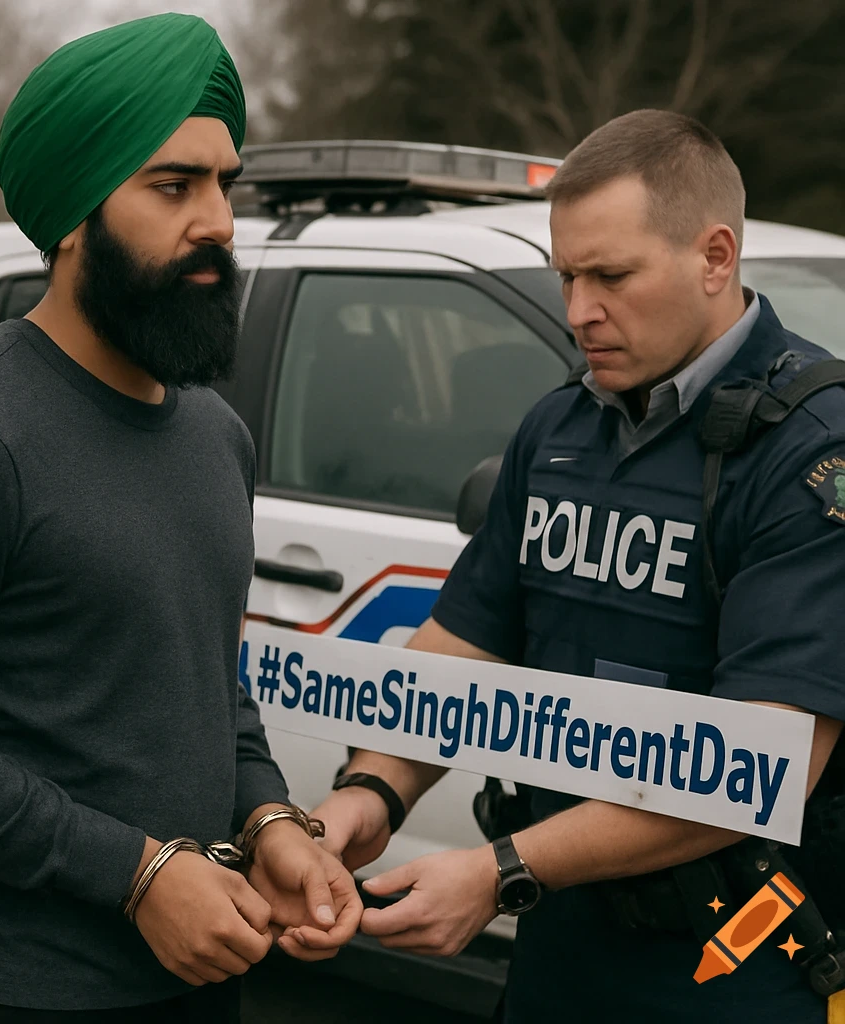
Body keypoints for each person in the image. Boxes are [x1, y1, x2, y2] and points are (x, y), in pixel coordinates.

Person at [0, 13, 360, 1024]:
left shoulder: (215, 435)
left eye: (222, 183)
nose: (218, 220)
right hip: (3, 990)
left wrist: (275, 819)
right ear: (73, 214)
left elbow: (205, 682)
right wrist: (138, 873)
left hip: (200, 978)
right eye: (172, 185)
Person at [302, 110, 845, 1023]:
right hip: (563, 945)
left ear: (715, 257)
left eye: (611, 276)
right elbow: (465, 643)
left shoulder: (813, 453)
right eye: (566, 276)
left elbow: (760, 766)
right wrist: (370, 794)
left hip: (738, 962)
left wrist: (500, 871)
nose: (578, 311)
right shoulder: (559, 428)